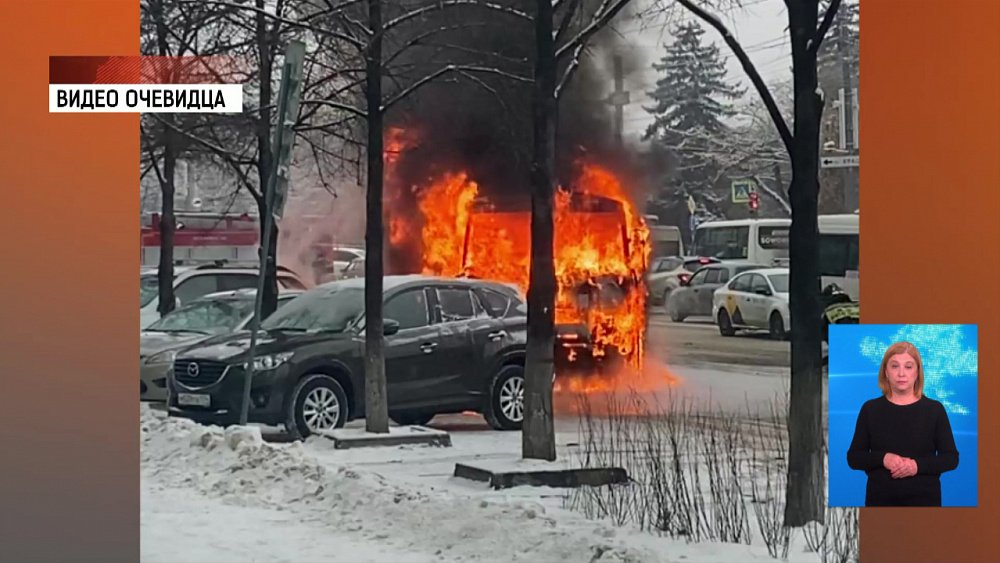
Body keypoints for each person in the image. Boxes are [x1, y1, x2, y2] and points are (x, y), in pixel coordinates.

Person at [846, 341, 959, 506]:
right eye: (894, 366)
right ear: (885, 371)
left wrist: (916, 466)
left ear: (917, 372)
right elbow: (854, 457)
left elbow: (951, 458)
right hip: (880, 503)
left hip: (925, 503)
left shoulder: (934, 410)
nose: (901, 373)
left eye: (908, 366)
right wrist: (883, 458)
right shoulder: (870, 409)